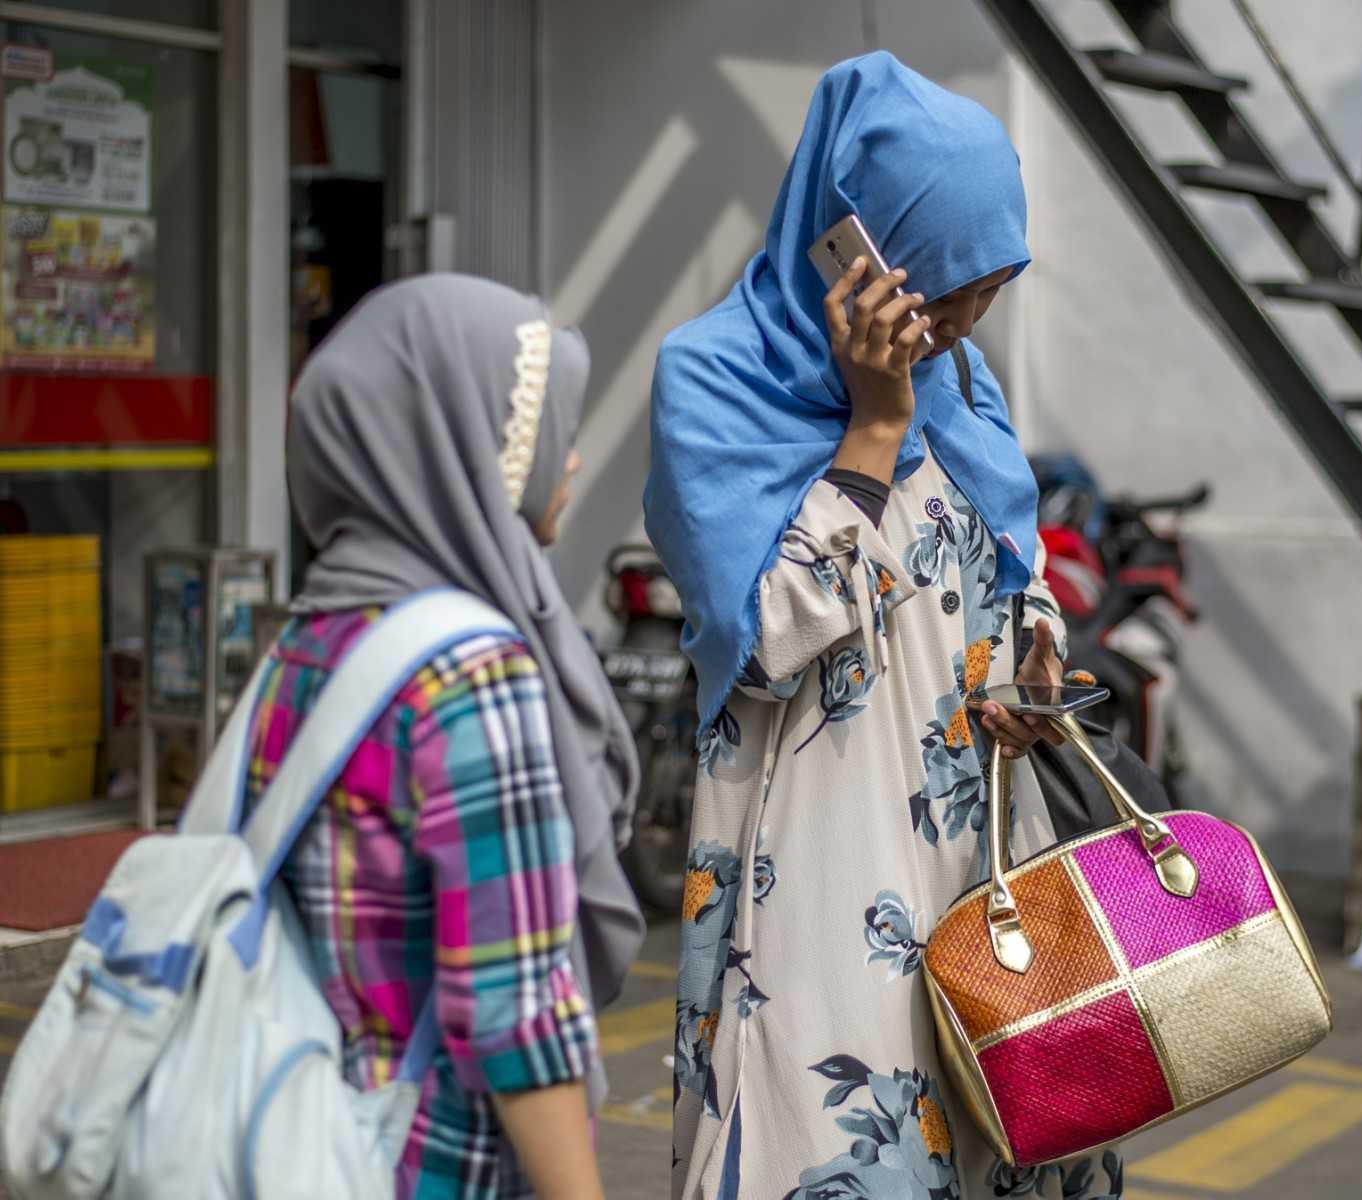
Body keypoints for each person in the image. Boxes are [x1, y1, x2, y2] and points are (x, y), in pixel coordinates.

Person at [646, 52, 1123, 1199]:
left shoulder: (958, 384)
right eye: (941, 289)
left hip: (981, 865)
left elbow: (1004, 566)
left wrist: (1034, 659)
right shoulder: (713, 384)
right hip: (815, 880)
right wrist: (868, 434)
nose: (959, 324)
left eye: (987, 292)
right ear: (850, 245)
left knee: (1008, 1132)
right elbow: (757, 643)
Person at [268, 274, 645, 1198]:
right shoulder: (471, 671)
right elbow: (516, 1012)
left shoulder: (309, 639)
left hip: (294, 1140)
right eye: (538, 427)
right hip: (430, 1163)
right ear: (464, 444)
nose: (569, 459)